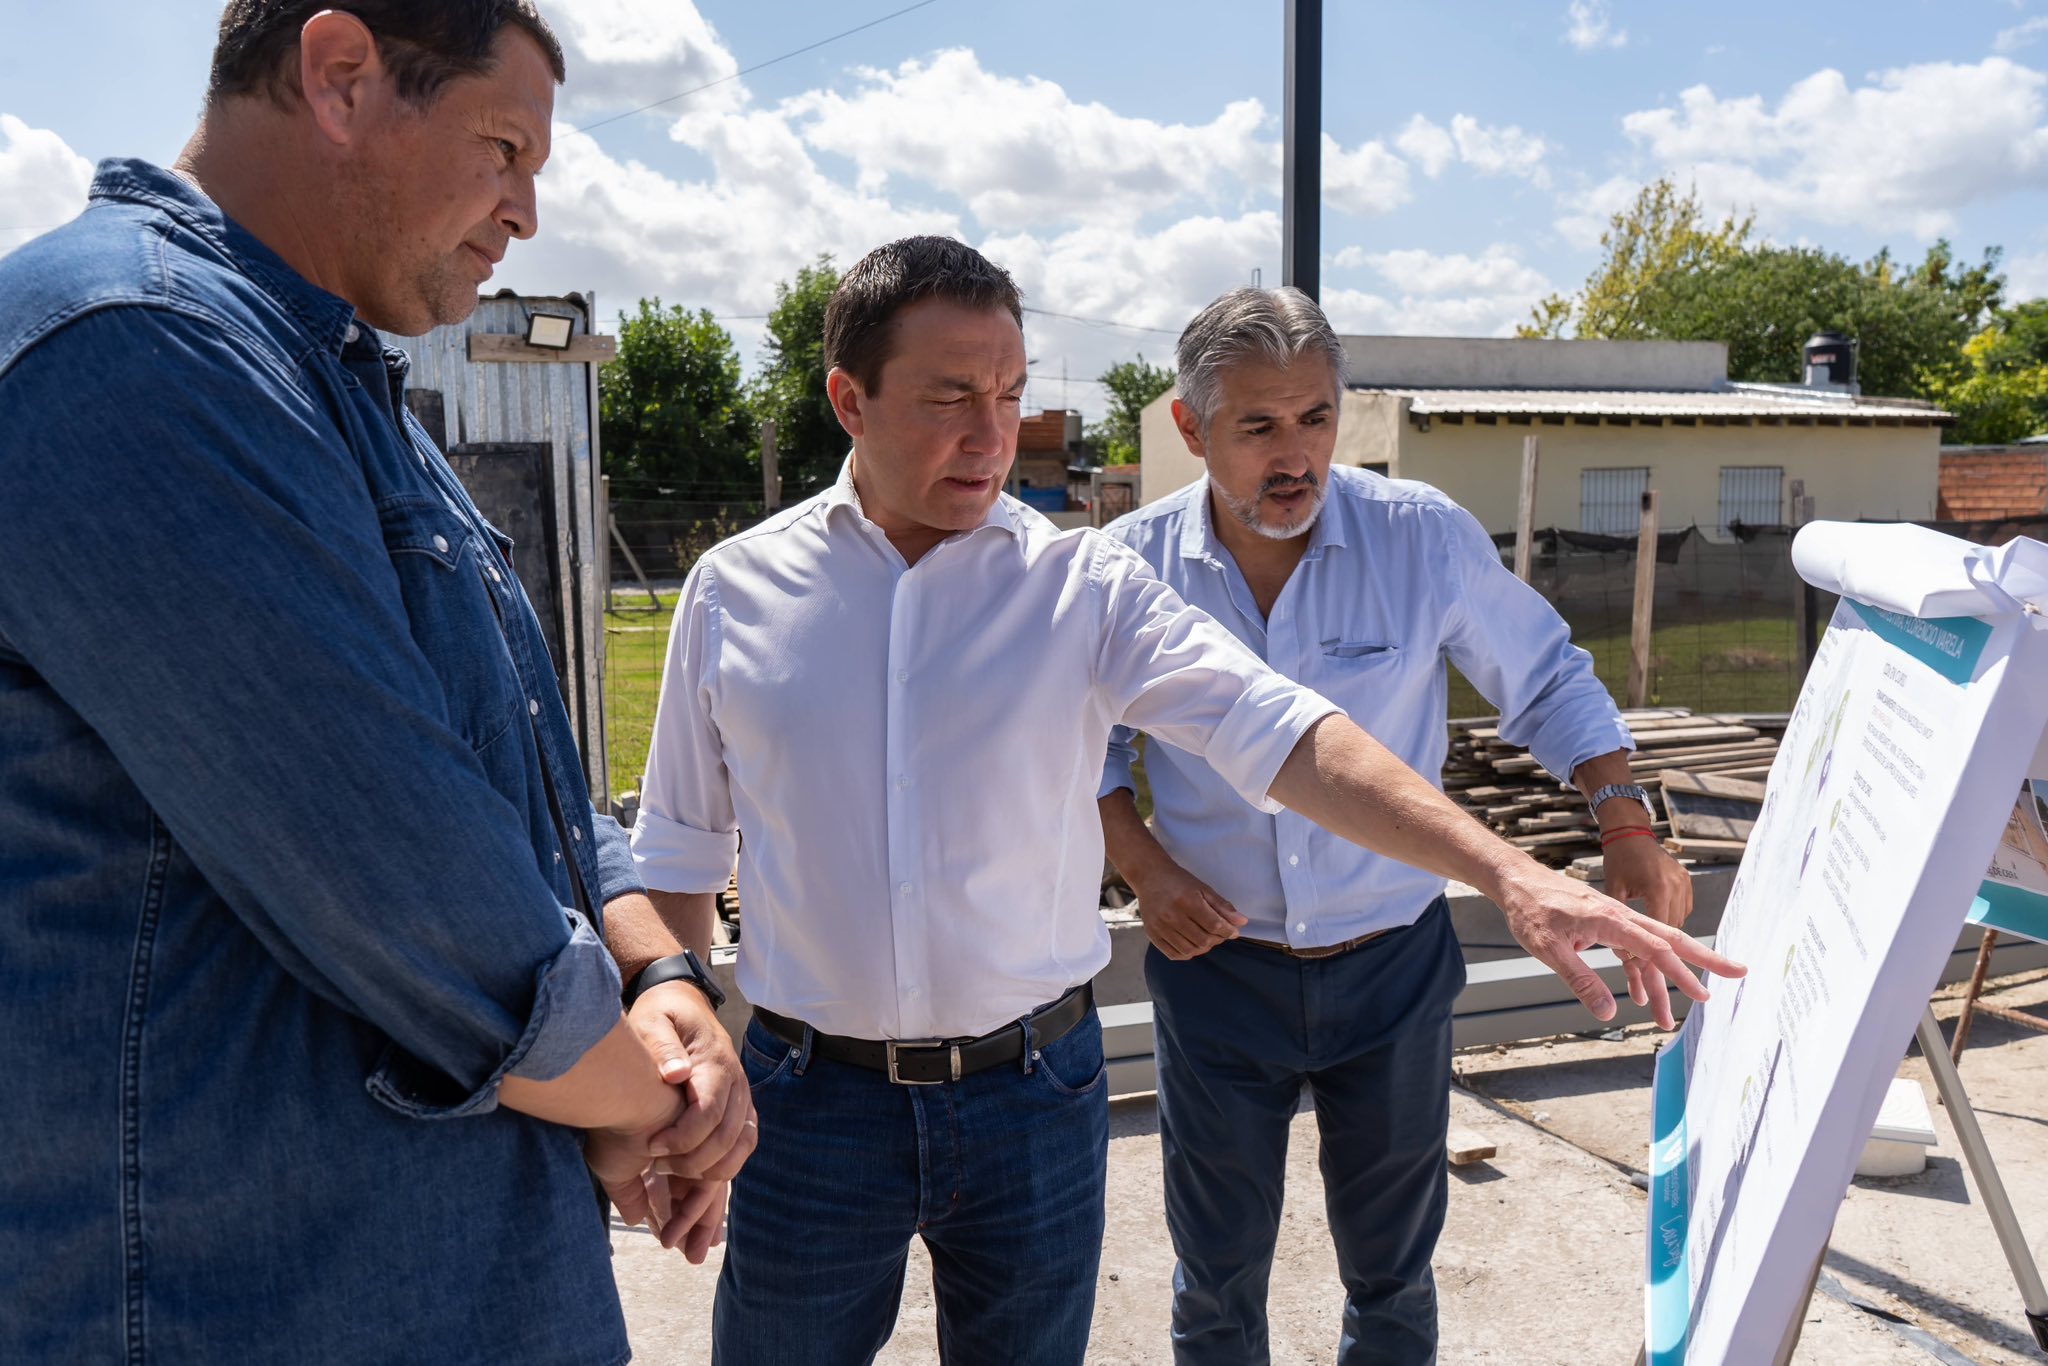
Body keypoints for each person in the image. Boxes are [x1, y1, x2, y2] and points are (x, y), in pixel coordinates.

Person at [628, 237, 1740, 1366]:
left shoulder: (1082, 584)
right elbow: (673, 852)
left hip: (1037, 1095)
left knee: (1384, 1262)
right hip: (812, 1102)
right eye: (950, 397)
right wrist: (684, 1054)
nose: (991, 434)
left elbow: (1288, 733)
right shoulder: (733, 595)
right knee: (1200, 1283)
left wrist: (1512, 867)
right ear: (847, 399)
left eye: (1010, 394)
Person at [0, 3, 750, 1361]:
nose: (527, 210)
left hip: (453, 1283)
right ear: (341, 75)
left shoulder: (335, 381)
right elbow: (402, 863)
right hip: (254, 1302)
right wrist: (651, 1098)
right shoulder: (130, 351)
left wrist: (664, 977)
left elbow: (535, 779)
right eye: (504, 146)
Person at [1095, 286, 1698, 1365]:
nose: (1296, 455)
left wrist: (1625, 827)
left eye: (1315, 418)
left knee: (1390, 1270)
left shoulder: (1416, 537)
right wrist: (1143, 867)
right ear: (1188, 428)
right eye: (1258, 426)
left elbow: (1547, 679)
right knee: (1217, 1272)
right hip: (1217, 969)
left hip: (1391, 973)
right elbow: (1080, 756)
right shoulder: (1126, 568)